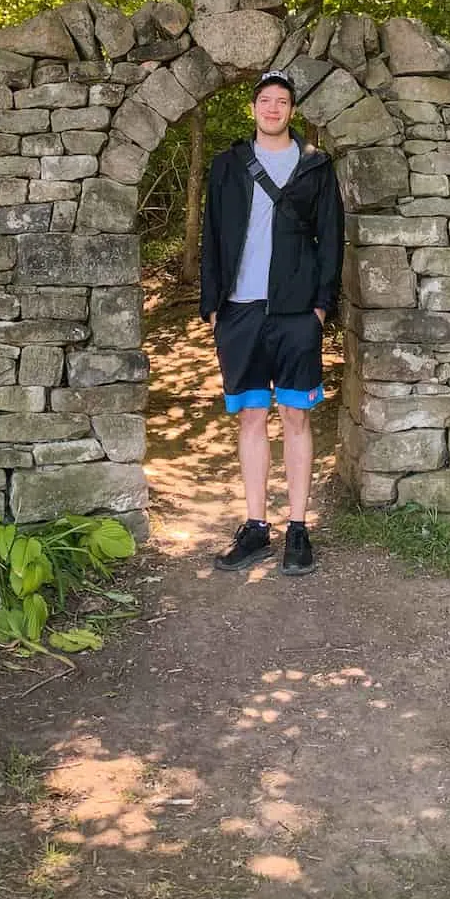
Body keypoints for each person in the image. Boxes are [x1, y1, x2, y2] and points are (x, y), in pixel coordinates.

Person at [199, 68, 345, 575]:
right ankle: (256, 527)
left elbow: (332, 237)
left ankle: (298, 528)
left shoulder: (315, 167)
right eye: (265, 100)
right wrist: (212, 303)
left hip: (295, 313)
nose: (273, 108)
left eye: (282, 101)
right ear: (254, 108)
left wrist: (322, 305)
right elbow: (212, 235)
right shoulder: (228, 165)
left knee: (297, 417)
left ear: (292, 110)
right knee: (252, 417)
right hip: (239, 311)